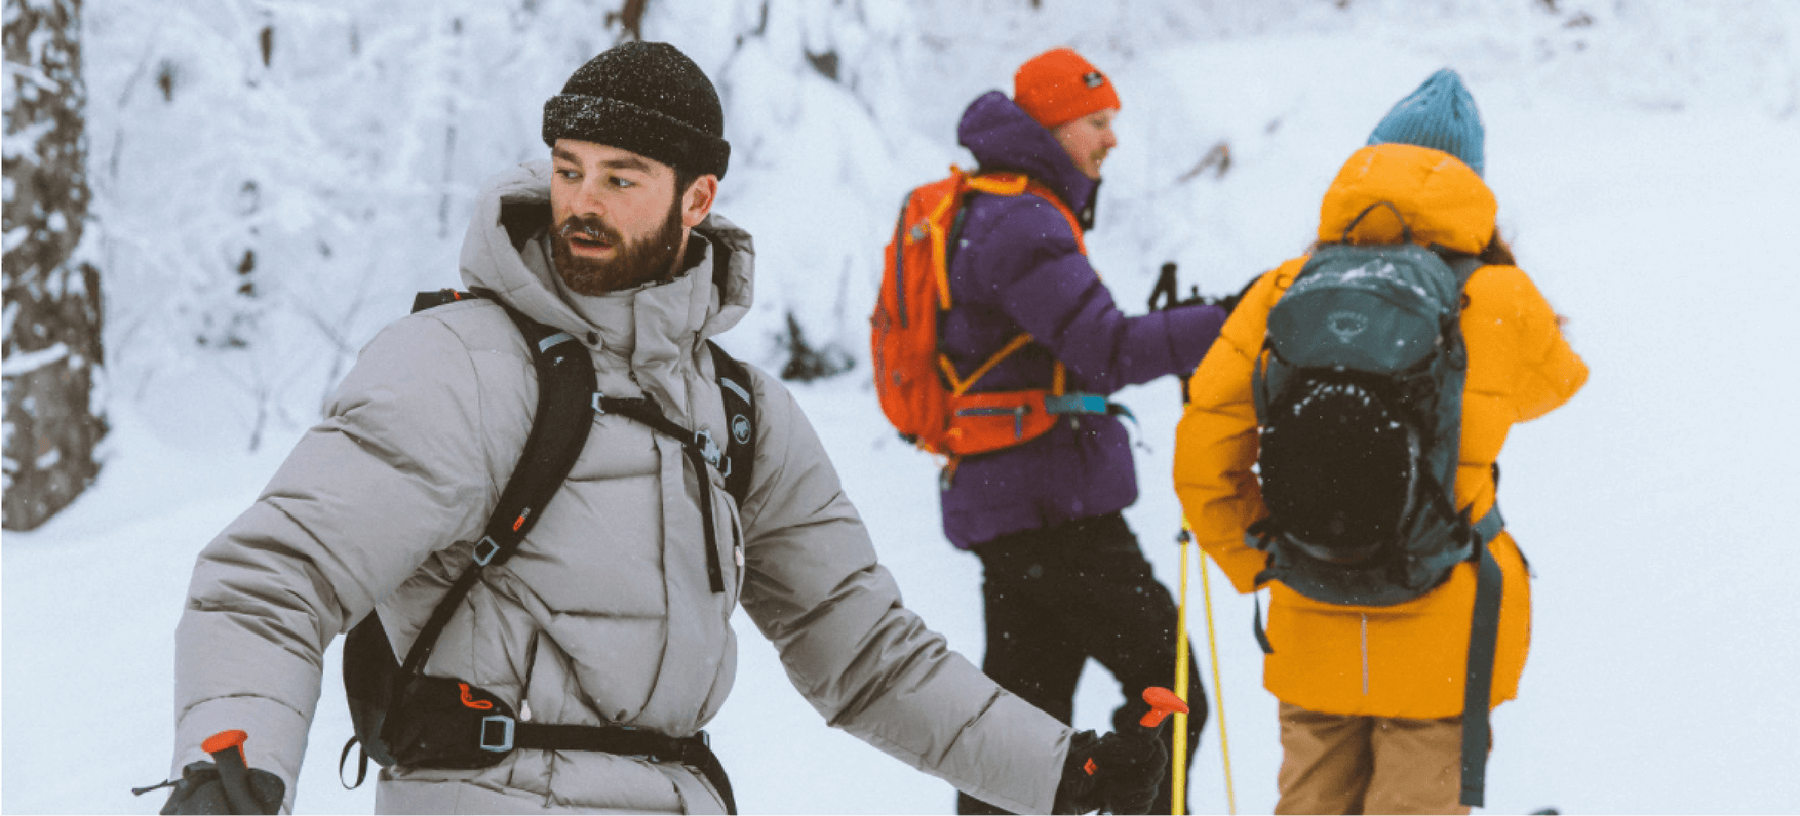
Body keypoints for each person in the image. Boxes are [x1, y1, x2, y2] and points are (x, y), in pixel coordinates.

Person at [157, 41, 1172, 816]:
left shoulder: (741, 411)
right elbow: (275, 575)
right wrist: (230, 762)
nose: (581, 203)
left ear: (697, 198)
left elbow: (866, 654)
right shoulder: (459, 362)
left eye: (620, 176)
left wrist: (1061, 771)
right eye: (568, 168)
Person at [1173, 68, 1589, 815]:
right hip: (1443, 617)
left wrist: (1260, 558)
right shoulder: (1498, 298)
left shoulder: (1284, 289)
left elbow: (1204, 448)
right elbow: (1556, 386)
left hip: (1310, 611)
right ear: (1470, 182)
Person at [936, 47, 1228, 816]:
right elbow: (1107, 349)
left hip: (1013, 504)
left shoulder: (992, 208)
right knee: (1170, 693)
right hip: (1056, 511)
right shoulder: (1022, 221)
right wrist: (1226, 321)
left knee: (1019, 731)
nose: (1111, 138)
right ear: (1052, 128)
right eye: (1095, 121)